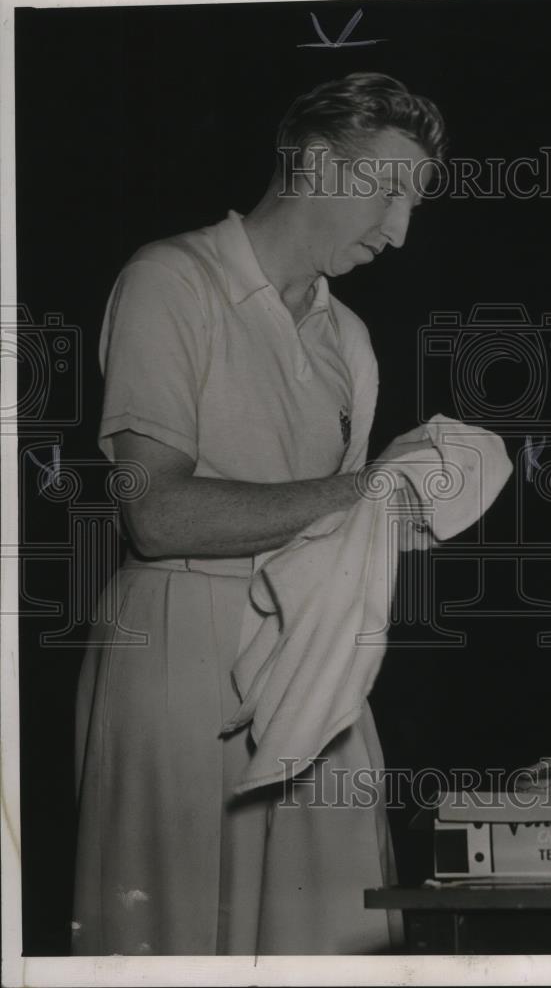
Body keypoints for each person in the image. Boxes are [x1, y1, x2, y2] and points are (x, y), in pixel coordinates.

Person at [71, 72, 446, 956]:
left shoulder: (348, 339)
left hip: (313, 662)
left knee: (340, 940)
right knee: (172, 939)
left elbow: (337, 538)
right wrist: (369, 490)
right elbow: (154, 515)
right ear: (314, 164)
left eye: (414, 203)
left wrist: (432, 495)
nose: (398, 233)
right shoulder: (170, 280)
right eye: (389, 191)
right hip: (178, 651)